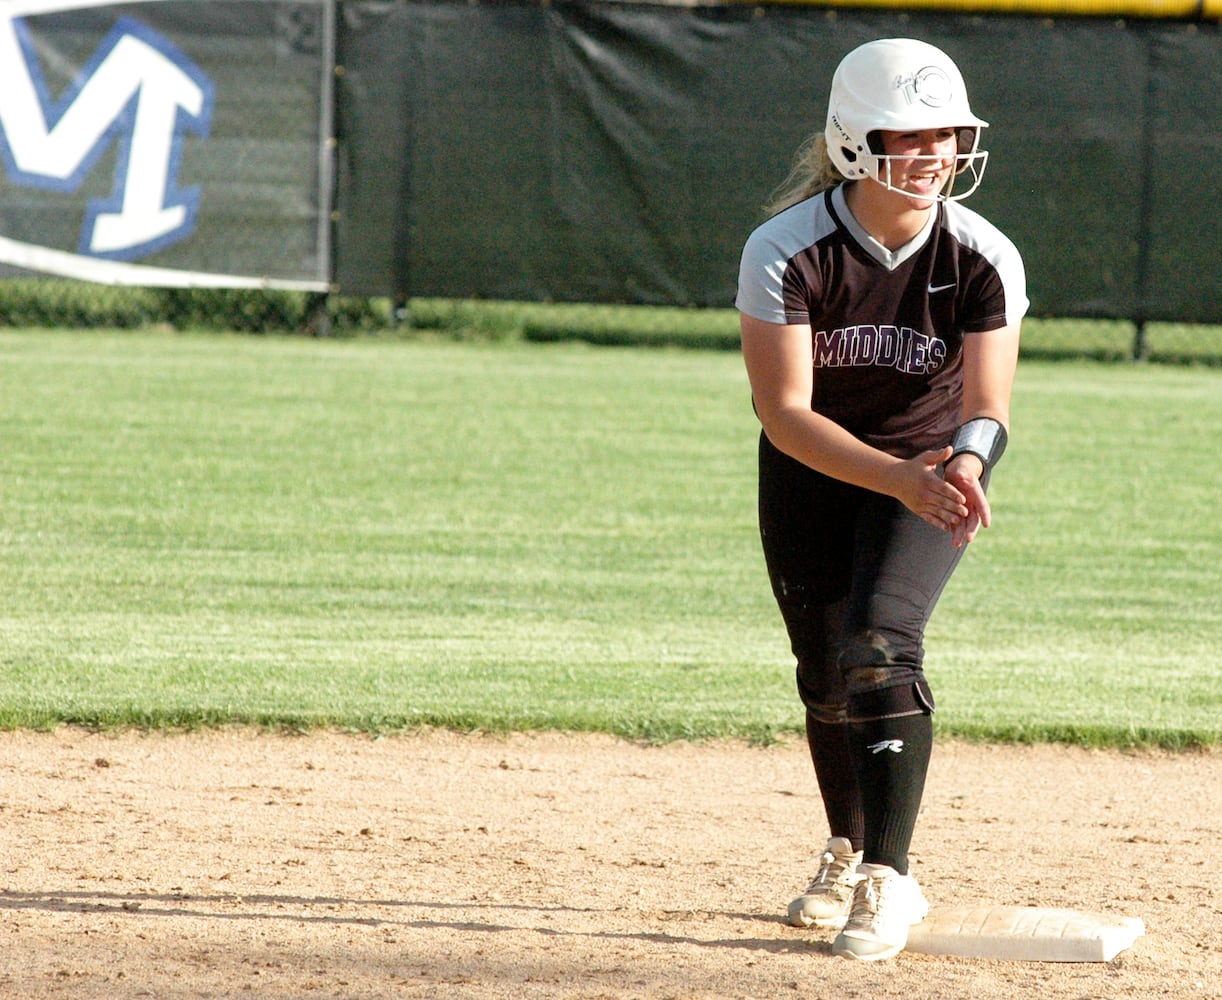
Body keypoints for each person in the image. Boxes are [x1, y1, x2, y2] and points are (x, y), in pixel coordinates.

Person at [735, 37, 1027, 962]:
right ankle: (848, 847)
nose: (938, 152)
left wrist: (964, 467)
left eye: (950, 133)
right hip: (814, 468)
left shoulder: (982, 253)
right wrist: (892, 474)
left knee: (879, 645)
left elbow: (987, 408)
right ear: (856, 141)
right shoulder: (786, 249)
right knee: (824, 673)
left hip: (928, 472)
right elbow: (784, 414)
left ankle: (889, 880)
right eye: (914, 134)